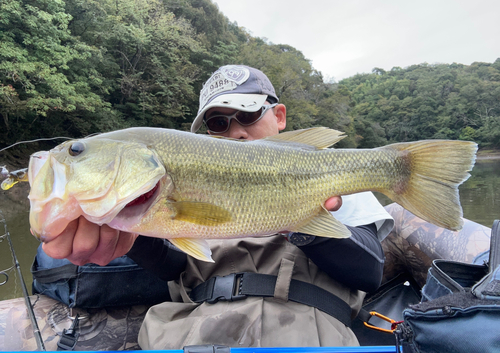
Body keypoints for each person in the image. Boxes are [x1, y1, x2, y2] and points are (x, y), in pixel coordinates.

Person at [42, 65, 394, 348]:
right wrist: (137, 231)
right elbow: (175, 266)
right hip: (195, 332)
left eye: (249, 114)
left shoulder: (328, 168)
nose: (236, 132)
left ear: (280, 116)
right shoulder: (175, 182)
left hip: (305, 332)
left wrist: (298, 219)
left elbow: (368, 272)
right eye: (219, 123)